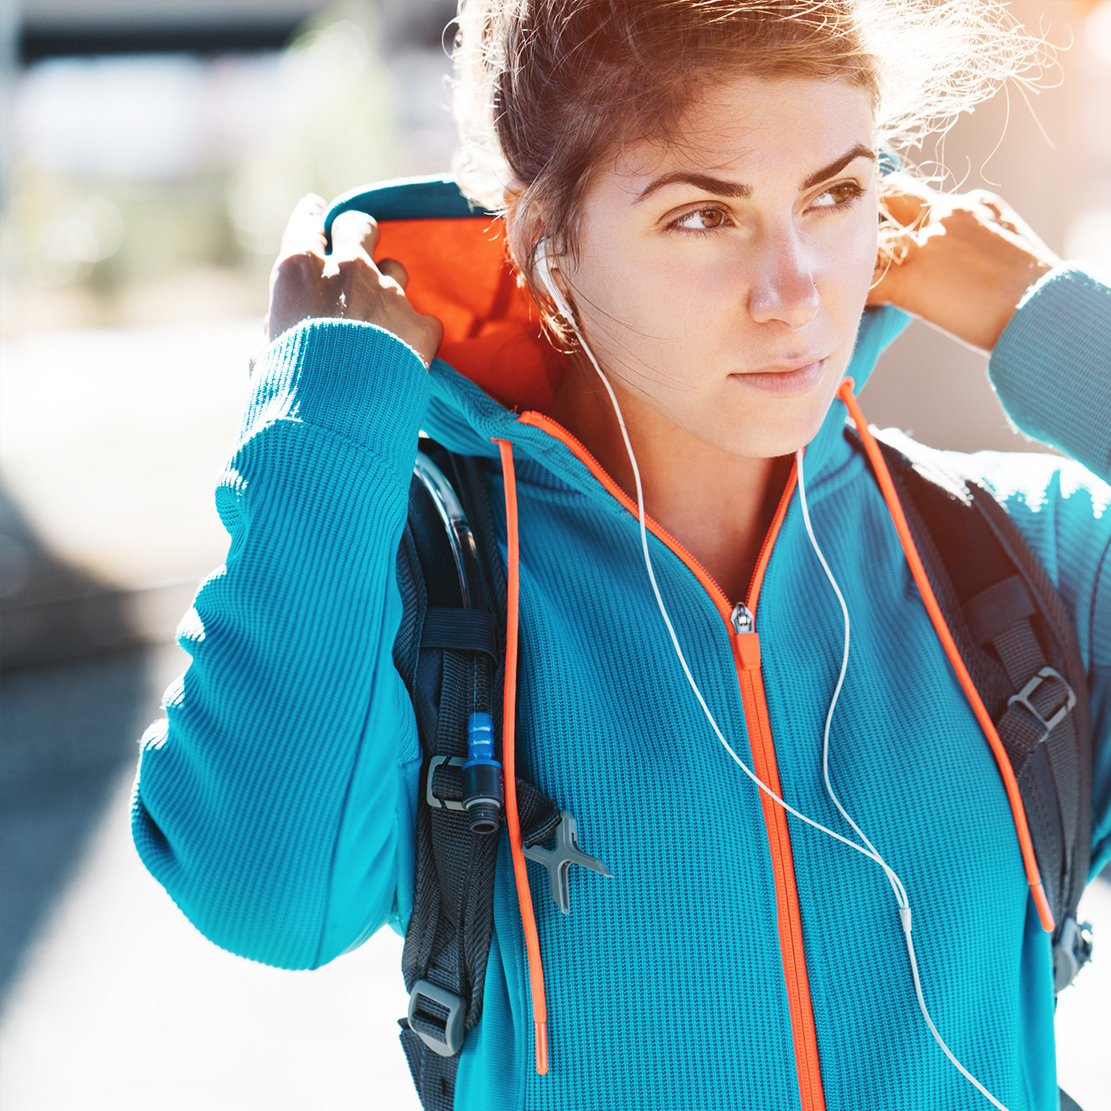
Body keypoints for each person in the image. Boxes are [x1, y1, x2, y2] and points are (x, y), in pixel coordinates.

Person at [131, 2, 1111, 1108]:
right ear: (540, 242)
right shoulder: (422, 596)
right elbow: (259, 886)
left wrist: (1047, 321)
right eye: (702, 215)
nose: (794, 294)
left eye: (833, 195)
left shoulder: (1016, 560)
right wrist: (322, 414)